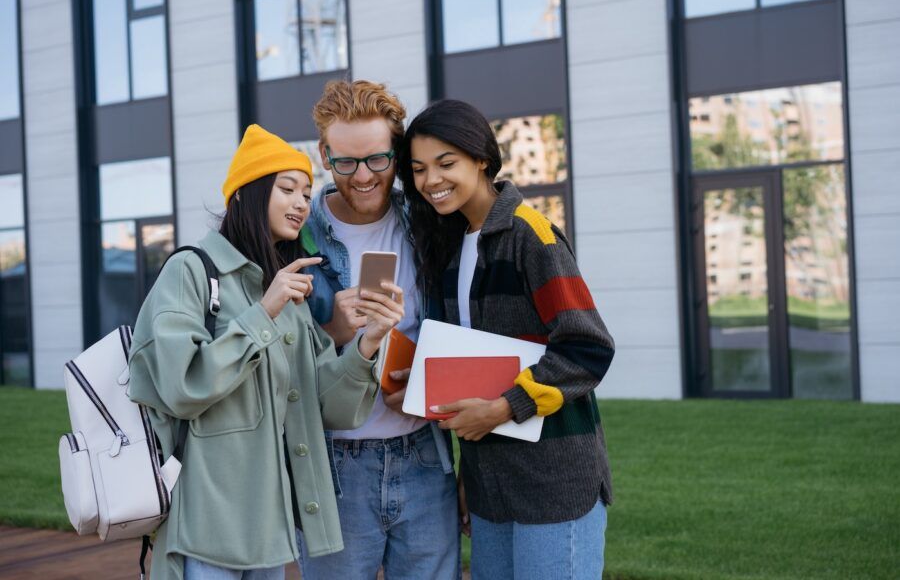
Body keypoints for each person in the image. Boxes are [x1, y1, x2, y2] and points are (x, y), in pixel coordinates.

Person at [128, 124, 405, 579]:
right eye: (287, 189)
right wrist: (263, 312)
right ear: (246, 195)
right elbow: (182, 385)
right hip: (205, 529)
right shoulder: (191, 271)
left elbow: (326, 406)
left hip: (270, 534)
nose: (301, 203)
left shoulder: (284, 288)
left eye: (306, 192)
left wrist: (367, 343)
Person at [398, 99, 616, 579]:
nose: (431, 180)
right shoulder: (452, 247)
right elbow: (468, 370)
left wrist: (503, 408)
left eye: (445, 163)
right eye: (418, 169)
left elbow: (588, 347)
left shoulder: (531, 236)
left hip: (555, 482)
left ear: (481, 159)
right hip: (489, 488)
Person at [297, 80, 459, 579]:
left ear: (397, 151)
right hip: (335, 465)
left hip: (426, 458)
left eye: (377, 160)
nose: (363, 177)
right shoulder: (295, 231)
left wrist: (426, 382)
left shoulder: (429, 221)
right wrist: (335, 333)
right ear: (325, 154)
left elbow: (461, 328)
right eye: (346, 162)